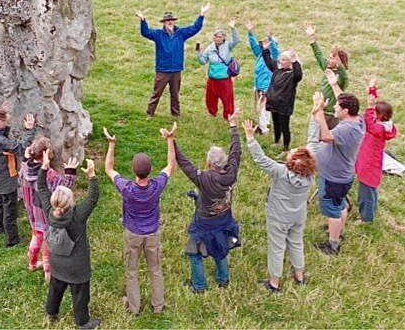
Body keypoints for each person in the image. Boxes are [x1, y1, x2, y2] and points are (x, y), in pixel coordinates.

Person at [103, 123, 176, 316]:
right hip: (152, 233)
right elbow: (170, 165)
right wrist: (170, 140)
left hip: (133, 234)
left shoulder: (126, 188)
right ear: (150, 170)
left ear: (134, 171)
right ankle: (158, 306)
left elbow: (109, 169)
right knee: (155, 269)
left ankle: (134, 308)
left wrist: (112, 144)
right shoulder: (156, 186)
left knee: (132, 271)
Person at [243, 116, 316, 294]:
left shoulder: (280, 172)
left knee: (277, 247)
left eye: (292, 152)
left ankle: (274, 283)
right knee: (296, 243)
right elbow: (313, 142)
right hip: (298, 216)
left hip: (278, 217)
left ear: (291, 163)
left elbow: (260, 159)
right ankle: (300, 276)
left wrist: (250, 138)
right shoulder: (310, 175)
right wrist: (314, 116)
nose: (290, 150)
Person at [175, 111, 242, 293]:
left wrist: (171, 141)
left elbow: (184, 163)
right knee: (221, 247)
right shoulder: (231, 172)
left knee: (195, 253)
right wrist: (233, 126)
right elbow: (236, 151)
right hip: (224, 219)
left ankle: (199, 286)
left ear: (209, 163)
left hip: (204, 223)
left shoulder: (204, 179)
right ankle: (223, 278)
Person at [37, 151, 100, 329]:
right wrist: (92, 175)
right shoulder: (78, 216)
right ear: (70, 201)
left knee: (56, 288)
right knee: (80, 294)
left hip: (57, 262)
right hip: (77, 266)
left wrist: (44, 166)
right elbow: (92, 198)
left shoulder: (50, 212)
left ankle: (51, 312)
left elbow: (41, 187)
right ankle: (83, 323)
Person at [309, 70, 365, 255]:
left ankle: (333, 245)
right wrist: (334, 84)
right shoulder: (358, 120)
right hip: (342, 175)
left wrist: (320, 112)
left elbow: (325, 136)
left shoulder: (346, 130)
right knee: (340, 204)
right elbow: (344, 99)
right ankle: (338, 231)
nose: (335, 108)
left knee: (332, 210)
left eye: (337, 107)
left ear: (345, 111)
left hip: (333, 178)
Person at [137, 4, 210, 118]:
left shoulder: (181, 33)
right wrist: (143, 20)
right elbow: (145, 32)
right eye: (167, 21)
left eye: (171, 20)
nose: (170, 22)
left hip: (176, 69)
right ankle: (150, 113)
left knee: (175, 94)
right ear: (164, 23)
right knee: (157, 93)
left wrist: (201, 15)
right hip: (163, 69)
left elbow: (195, 28)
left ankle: (175, 114)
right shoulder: (158, 34)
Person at [19, 136, 76, 281]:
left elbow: (20, 180)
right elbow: (63, 190)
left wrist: (25, 160)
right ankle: (48, 271)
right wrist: (70, 172)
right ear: (47, 154)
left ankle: (32, 263)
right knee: (47, 241)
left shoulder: (25, 168)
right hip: (45, 214)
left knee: (36, 236)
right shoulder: (50, 175)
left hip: (31, 211)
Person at [0, 104, 36, 247]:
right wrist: (29, 130)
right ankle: (12, 240)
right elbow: (23, 149)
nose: (7, 124)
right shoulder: (1, 141)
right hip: (6, 178)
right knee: (10, 210)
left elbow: (3, 138)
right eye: (6, 122)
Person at [355, 76, 398, 223]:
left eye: (375, 112)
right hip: (368, 163)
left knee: (365, 193)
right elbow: (372, 110)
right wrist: (372, 88)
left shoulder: (379, 128)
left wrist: (369, 107)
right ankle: (370, 213)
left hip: (369, 165)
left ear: (381, 115)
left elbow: (370, 124)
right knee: (370, 190)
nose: (372, 113)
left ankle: (366, 219)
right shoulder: (382, 125)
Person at [305, 24, 349, 129]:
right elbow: (318, 54)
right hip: (321, 109)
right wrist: (311, 37)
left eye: (332, 58)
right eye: (329, 57)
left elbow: (343, 73)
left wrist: (338, 63)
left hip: (332, 114)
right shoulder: (327, 68)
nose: (329, 60)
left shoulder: (342, 77)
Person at [197, 20, 241, 119]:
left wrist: (233, 28)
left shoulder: (228, 46)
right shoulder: (210, 48)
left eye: (220, 37)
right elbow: (203, 61)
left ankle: (228, 115)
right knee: (211, 98)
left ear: (224, 38)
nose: (218, 39)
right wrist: (199, 53)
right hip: (212, 78)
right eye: (216, 37)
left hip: (224, 78)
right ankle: (212, 112)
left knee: (227, 99)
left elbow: (236, 40)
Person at [263, 47, 303, 153]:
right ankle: (276, 141)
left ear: (290, 62)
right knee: (276, 123)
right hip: (274, 103)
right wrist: (266, 49)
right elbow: (268, 62)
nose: (281, 61)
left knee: (284, 126)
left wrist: (295, 61)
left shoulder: (292, 75)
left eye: (284, 59)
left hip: (284, 104)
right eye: (281, 59)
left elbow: (299, 75)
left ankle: (286, 148)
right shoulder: (277, 70)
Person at [246, 22, 279, 134]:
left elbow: (274, 49)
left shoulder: (274, 56)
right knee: (264, 107)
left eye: (266, 43)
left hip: (266, 86)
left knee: (261, 108)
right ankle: (265, 123)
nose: (263, 45)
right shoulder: (261, 54)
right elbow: (253, 45)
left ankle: (263, 129)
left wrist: (270, 37)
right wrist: (250, 32)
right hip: (259, 85)